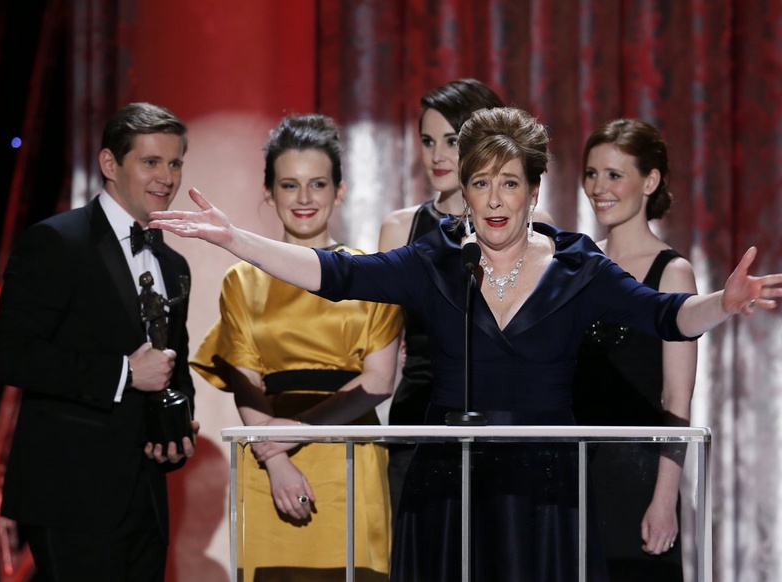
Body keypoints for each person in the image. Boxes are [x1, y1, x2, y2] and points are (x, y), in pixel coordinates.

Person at [149, 106, 781, 581]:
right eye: (480, 184)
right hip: (450, 485)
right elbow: (337, 275)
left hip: (546, 489)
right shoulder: (435, 261)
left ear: (534, 192)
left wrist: (723, 305)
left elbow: (666, 317)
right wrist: (235, 239)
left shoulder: (578, 267)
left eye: (509, 184)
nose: (494, 199)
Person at [190, 114, 402, 581]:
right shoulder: (242, 280)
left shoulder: (373, 274)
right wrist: (278, 457)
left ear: (339, 191)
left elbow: (380, 380)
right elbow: (243, 379)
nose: (304, 199)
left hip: (349, 455)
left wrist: (299, 430)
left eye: (318, 184)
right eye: (289, 185)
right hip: (268, 460)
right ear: (269, 192)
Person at [0, 102, 199, 582]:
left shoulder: (174, 265)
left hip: (146, 495)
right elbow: (14, 356)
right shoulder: (56, 242)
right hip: (71, 493)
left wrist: (178, 426)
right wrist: (125, 373)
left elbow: (175, 363)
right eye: (151, 162)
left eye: (174, 163)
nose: (165, 177)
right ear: (110, 164)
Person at [378, 78, 553, 521]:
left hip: (507, 424)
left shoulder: (537, 225)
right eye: (427, 140)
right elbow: (381, 354)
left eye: (451, 141)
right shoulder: (400, 228)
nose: (437, 155)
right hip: (420, 420)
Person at [572, 119, 696, 581]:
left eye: (614, 174)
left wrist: (664, 499)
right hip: (572, 471)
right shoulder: (576, 263)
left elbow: (676, 401)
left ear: (650, 180)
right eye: (591, 173)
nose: (598, 187)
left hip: (638, 478)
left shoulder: (673, 273)